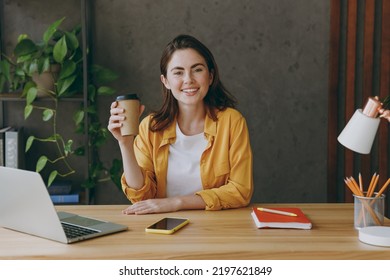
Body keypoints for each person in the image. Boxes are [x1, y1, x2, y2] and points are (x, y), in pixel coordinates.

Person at [108, 34, 253, 215]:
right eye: (178, 72)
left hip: (216, 230)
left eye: (197, 70)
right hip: (163, 229)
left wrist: (177, 202)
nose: (188, 79)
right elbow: (141, 198)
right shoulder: (150, 127)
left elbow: (240, 191)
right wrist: (125, 143)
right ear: (166, 81)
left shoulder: (231, 121)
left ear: (210, 76)